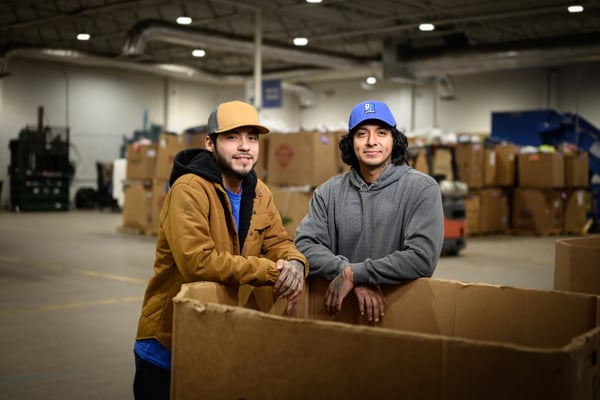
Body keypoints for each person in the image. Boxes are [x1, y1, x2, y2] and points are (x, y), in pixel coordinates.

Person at [133, 100, 309, 400]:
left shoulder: (259, 192)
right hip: (168, 345)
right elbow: (198, 263)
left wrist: (295, 263)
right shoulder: (189, 189)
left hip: (218, 336)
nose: (245, 147)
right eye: (232, 137)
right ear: (210, 143)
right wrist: (269, 270)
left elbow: (279, 241)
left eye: (252, 138)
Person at [295, 100, 443, 323]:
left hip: (400, 312)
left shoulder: (422, 189)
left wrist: (354, 274)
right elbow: (305, 245)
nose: (372, 142)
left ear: (394, 140)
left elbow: (421, 258)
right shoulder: (328, 192)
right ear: (351, 143)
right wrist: (346, 271)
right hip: (339, 313)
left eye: (381, 133)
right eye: (362, 134)